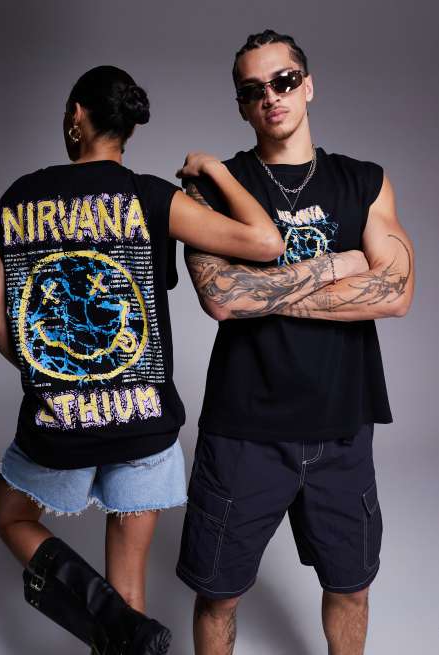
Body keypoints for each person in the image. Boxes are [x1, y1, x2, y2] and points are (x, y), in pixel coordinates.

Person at [0, 65, 290, 655]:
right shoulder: (150, 197)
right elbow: (267, 242)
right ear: (128, 128)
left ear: (76, 116)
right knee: (129, 609)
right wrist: (216, 171)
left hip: (59, 422)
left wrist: (52, 376)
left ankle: (105, 615)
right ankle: (119, 619)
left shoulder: (20, 198)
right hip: (143, 421)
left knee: (13, 518)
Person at [175, 30, 414, 655]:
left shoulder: (364, 180)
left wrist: (261, 291)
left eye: (283, 82)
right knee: (218, 594)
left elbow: (395, 291)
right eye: (253, 90)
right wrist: (337, 266)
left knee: (351, 586)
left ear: (308, 86)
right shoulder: (213, 188)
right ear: (241, 105)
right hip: (243, 430)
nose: (271, 97)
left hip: (343, 426)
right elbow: (221, 297)